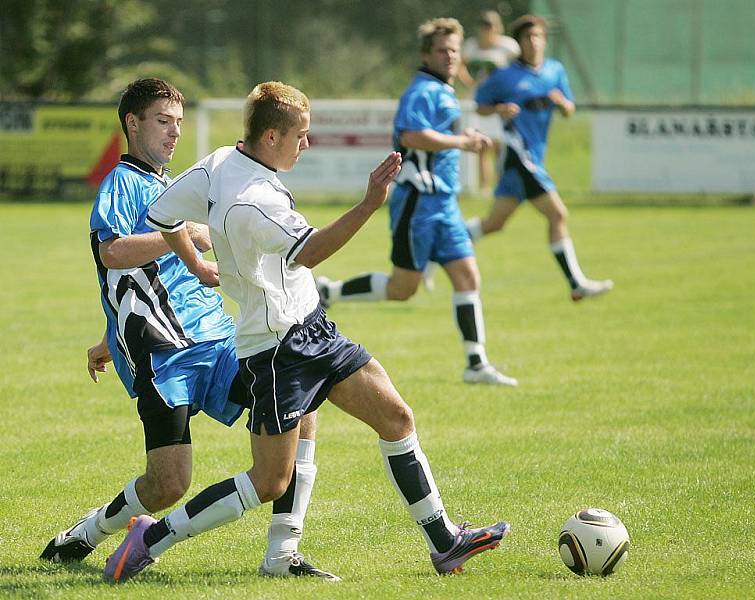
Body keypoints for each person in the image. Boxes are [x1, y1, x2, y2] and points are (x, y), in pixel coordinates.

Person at [101, 80, 510, 583]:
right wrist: (368, 204)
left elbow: (164, 215)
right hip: (278, 351)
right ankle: (152, 538)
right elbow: (311, 250)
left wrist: (198, 263)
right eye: (302, 135)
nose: (307, 144)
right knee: (269, 481)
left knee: (397, 417)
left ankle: (444, 542)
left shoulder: (220, 162)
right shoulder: (252, 201)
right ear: (271, 137)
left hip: (315, 328)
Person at [39, 78, 336, 581]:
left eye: (178, 122)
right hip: (163, 355)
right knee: (167, 484)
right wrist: (187, 234)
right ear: (132, 124)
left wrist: (107, 338)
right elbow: (112, 253)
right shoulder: (123, 181)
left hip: (217, 339)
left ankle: (283, 552)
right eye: (162, 121)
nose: (174, 132)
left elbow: (158, 280)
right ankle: (88, 534)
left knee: (300, 404)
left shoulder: (173, 184)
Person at [317, 18, 517, 387]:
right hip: (418, 204)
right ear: (427, 54)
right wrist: (462, 143)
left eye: (455, 49)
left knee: (467, 275)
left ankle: (476, 364)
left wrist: (465, 136)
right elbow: (411, 135)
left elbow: (438, 135)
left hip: (445, 204)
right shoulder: (422, 90)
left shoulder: (443, 89)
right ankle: (329, 291)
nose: (450, 56)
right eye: (442, 50)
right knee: (402, 289)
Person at [469, 15, 613, 301]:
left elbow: (569, 109)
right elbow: (479, 105)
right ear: (519, 43)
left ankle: (440, 243)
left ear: (545, 41)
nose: (533, 42)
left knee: (495, 223)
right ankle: (576, 283)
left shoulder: (554, 71)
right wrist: (499, 109)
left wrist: (563, 104)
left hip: (535, 156)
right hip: (518, 155)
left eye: (538, 37)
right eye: (527, 38)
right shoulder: (505, 75)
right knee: (557, 213)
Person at [458, 9, 520, 194]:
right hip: (480, 102)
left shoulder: (508, 47)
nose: (487, 31)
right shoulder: (471, 46)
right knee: (483, 146)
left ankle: (501, 186)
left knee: (501, 146)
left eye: (491, 26)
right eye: (484, 27)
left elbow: (518, 68)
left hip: (501, 102)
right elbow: (460, 64)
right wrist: (469, 82)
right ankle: (485, 187)